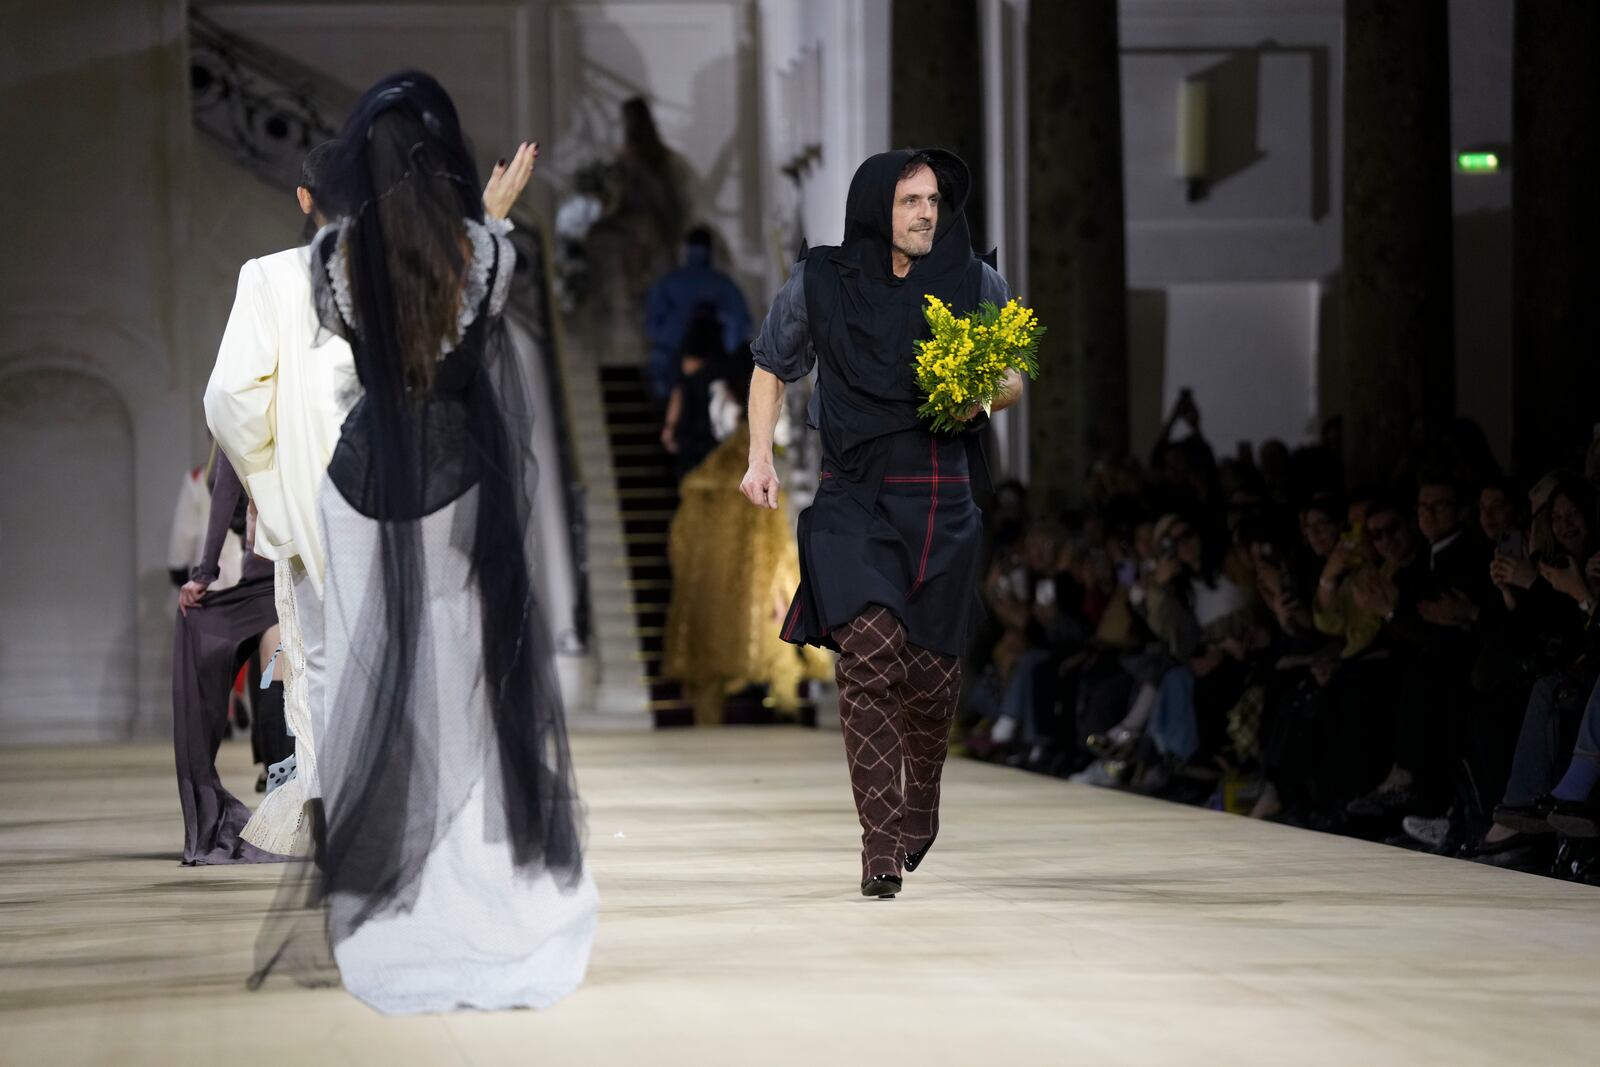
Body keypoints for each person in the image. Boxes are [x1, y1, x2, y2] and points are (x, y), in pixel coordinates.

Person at [250, 71, 596, 1015]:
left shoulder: (334, 260)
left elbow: (349, 327)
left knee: (370, 686)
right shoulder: (483, 253)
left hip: (360, 488)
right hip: (455, 481)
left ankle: (385, 897)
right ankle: (467, 889)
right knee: (469, 691)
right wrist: (486, 218)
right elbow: (473, 317)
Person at [742, 148, 1023, 898]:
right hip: (852, 495)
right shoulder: (822, 282)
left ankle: (920, 796)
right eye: (909, 201)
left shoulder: (974, 281)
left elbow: (1015, 374)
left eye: (933, 199)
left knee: (929, 679)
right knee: (869, 649)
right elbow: (772, 364)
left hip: (941, 495)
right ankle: (878, 845)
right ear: (877, 207)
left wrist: (983, 396)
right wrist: (758, 456)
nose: (926, 212)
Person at [205, 141, 359, 856]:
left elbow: (229, 399)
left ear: (304, 199)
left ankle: (334, 809)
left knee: (323, 659)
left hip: (312, 499)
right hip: (400, 495)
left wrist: (270, 485)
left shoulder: (268, 276)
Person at [170, 454, 285, 865]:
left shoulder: (236, 424)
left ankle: (283, 798)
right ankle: (286, 797)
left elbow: (226, 497)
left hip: (263, 567)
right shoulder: (301, 411)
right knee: (283, 670)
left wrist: (202, 572)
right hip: (297, 561)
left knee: (276, 668)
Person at [644, 226, 752, 401]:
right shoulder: (723, 285)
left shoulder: (668, 283)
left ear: (686, 249)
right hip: (716, 367)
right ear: (710, 251)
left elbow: (652, 328)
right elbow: (740, 327)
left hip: (673, 362)